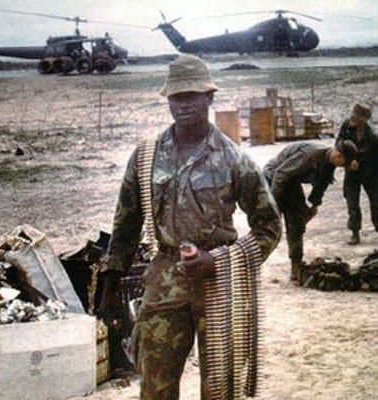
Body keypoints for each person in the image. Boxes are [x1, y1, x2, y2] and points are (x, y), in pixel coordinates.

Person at [98, 54, 282, 400]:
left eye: (192, 95)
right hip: (165, 277)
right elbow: (126, 221)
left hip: (219, 282)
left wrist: (220, 261)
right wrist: (110, 280)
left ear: (209, 98)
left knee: (220, 387)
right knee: (155, 384)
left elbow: (269, 227)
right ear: (168, 99)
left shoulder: (233, 158)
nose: (183, 104)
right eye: (176, 96)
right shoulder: (146, 155)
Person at [263, 140, 358, 282]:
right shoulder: (310, 154)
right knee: (269, 226)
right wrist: (274, 204)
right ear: (338, 155)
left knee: (297, 223)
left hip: (291, 181)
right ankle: (252, 264)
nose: (342, 167)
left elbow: (321, 183)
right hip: (274, 178)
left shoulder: (330, 162)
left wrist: (314, 205)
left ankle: (295, 266)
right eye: (344, 163)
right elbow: (281, 174)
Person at [336, 102, 378, 245]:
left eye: (356, 117)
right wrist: (349, 161)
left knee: (376, 203)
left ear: (363, 120)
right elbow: (338, 144)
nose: (352, 118)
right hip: (351, 173)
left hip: (370, 172)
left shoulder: (374, 134)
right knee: (352, 203)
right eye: (352, 115)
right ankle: (354, 233)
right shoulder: (346, 127)